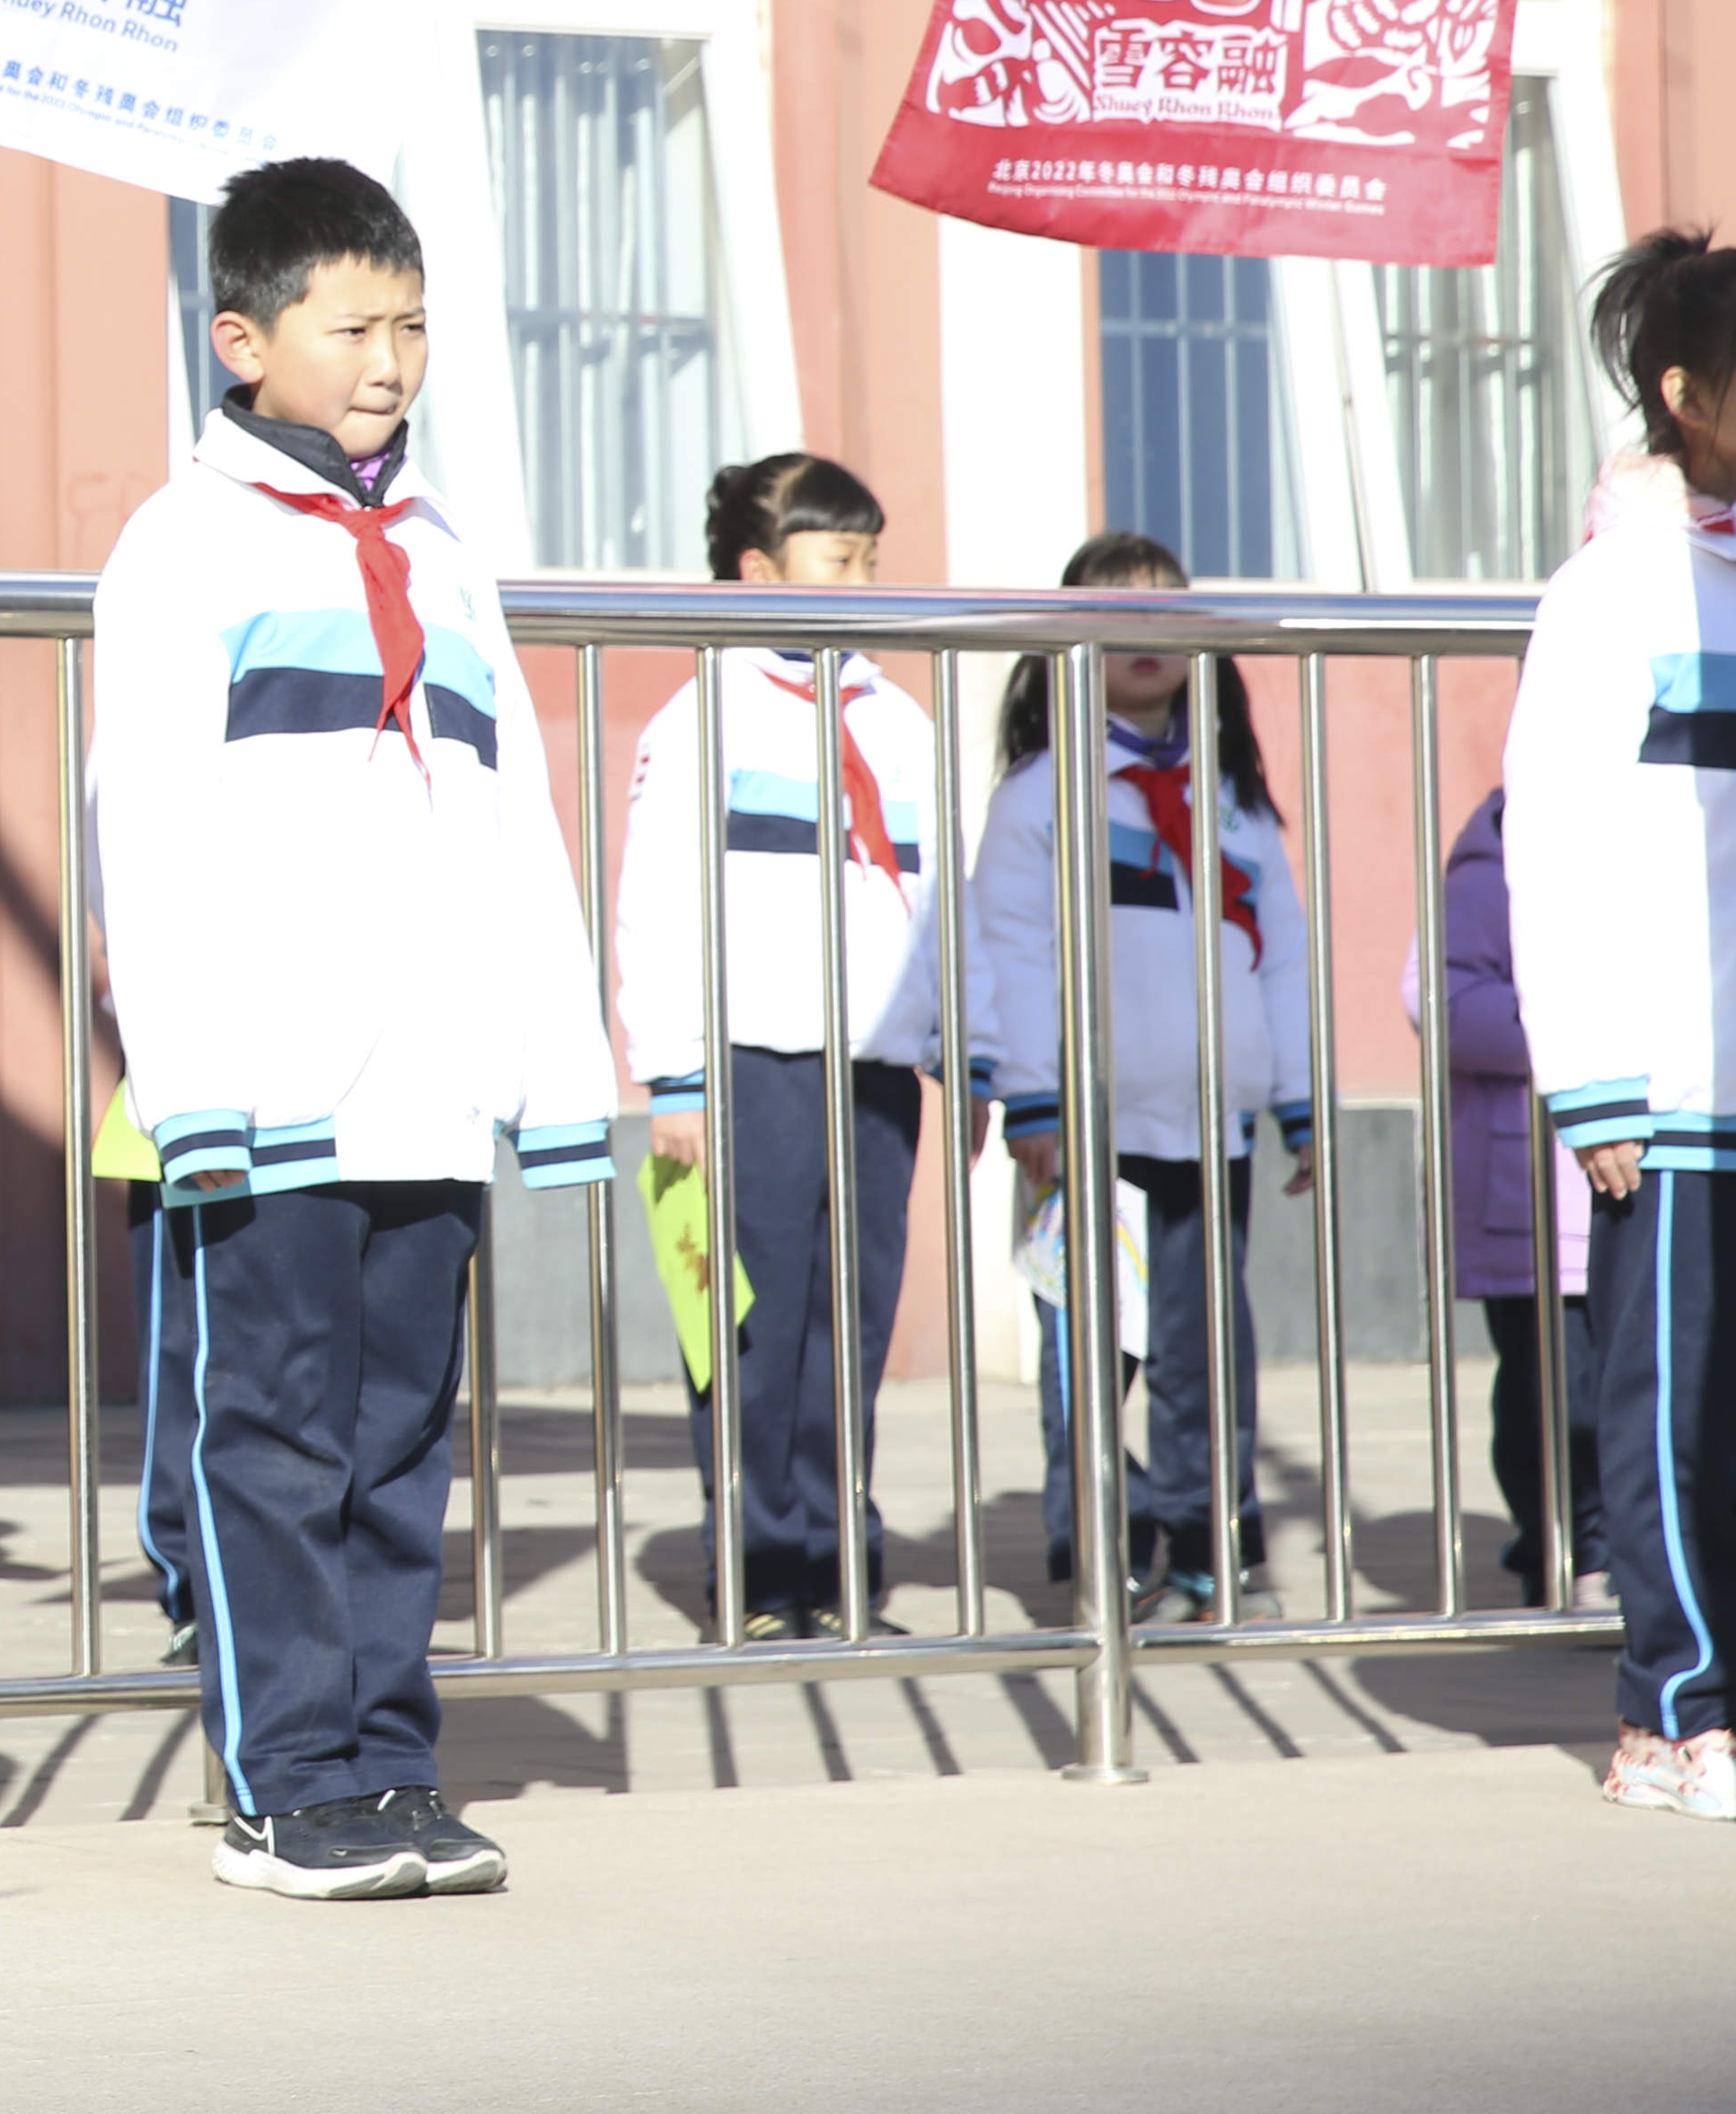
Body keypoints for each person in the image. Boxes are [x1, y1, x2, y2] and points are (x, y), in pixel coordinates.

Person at [91, 156, 617, 1900]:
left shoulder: (445, 552)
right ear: (243, 340)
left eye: (413, 326)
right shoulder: (186, 544)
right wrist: (192, 1087)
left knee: (398, 1447)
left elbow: (516, 815)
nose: (391, 362)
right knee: (272, 1437)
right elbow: (146, 829)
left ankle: (391, 1767)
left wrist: (550, 1068)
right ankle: (288, 1788)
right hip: (273, 1086)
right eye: (352, 328)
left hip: (428, 1083)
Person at [945, 530, 1313, 1627]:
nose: (1146, 634)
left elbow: (1282, 956)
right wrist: (1034, 1099)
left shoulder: (1234, 802)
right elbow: (1011, 951)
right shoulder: (1041, 795)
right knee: (1091, 1353)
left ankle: (1208, 1548)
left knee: (1208, 1351)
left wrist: (1298, 1103)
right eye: (1118, 611)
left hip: (1210, 1126)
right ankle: (1103, 1551)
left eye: (1167, 612)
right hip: (1087, 1134)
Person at [612, 452, 950, 1640]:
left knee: (851, 1323)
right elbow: (655, 902)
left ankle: (837, 1560)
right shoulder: (703, 714)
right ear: (758, 572)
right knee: (751, 1325)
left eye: (872, 559)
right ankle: (759, 1568)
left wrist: (957, 1041)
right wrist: (675, 1073)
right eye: (837, 558)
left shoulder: (898, 720)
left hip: (874, 1068)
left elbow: (939, 895)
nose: (863, 580)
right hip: (747, 1068)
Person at [1504, 227, 1736, 1820]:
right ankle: (1674, 1709)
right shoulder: (1613, 596)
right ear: (1687, 395)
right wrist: (1591, 1081)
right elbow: (1556, 846)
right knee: (1668, 1415)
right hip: (1671, 1091)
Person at [1412, 782, 1602, 1600]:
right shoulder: (1495, 859)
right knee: (1552, 1390)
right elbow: (1442, 998)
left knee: (1638, 1387)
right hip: (1534, 1195)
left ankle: (1630, 1553)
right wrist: (1585, 1027)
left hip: (1644, 1183)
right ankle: (1568, 1551)